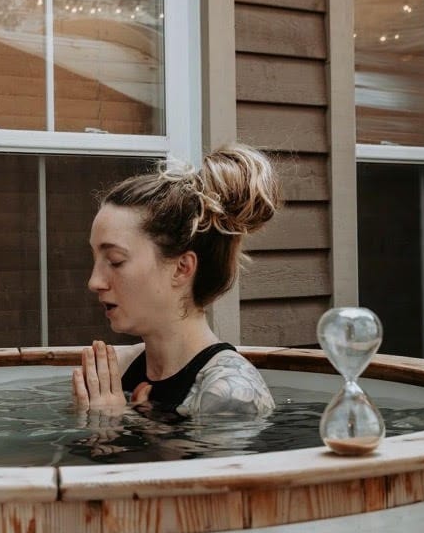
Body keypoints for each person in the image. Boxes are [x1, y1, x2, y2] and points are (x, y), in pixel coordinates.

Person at [72, 145, 279, 419]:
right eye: (95, 258)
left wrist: (114, 426)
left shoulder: (230, 394)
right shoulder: (116, 371)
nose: (94, 281)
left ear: (182, 268)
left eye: (115, 260)